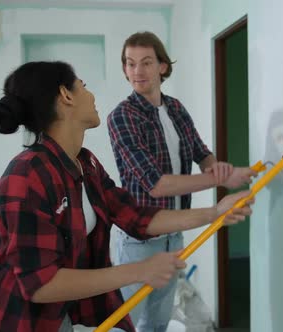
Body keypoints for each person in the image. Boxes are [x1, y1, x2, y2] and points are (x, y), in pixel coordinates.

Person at [0, 61, 253, 332]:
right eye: (83, 85)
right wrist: (140, 270)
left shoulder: (85, 163)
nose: (91, 93)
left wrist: (216, 213)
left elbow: (135, 216)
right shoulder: (26, 176)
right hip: (8, 318)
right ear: (66, 95)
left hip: (54, 316)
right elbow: (41, 283)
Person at [107, 31, 257, 332]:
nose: (137, 71)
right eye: (130, 63)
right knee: (127, 323)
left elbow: (203, 155)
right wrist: (218, 182)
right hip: (140, 239)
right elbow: (156, 184)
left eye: (146, 62)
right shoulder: (121, 117)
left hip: (174, 235)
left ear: (162, 66)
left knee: (158, 321)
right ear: (124, 68)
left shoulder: (175, 108)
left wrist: (224, 172)